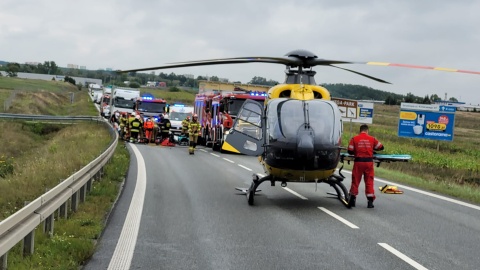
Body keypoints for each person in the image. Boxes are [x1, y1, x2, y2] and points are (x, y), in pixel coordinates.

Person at [347, 124, 384, 209]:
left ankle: (352, 200)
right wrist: (372, 149)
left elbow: (350, 151)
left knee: (355, 181)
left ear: (360, 131)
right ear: (367, 131)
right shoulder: (372, 139)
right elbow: (381, 147)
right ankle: (370, 202)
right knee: (369, 181)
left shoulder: (354, 139)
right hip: (368, 163)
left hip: (358, 162)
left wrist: (357, 152)